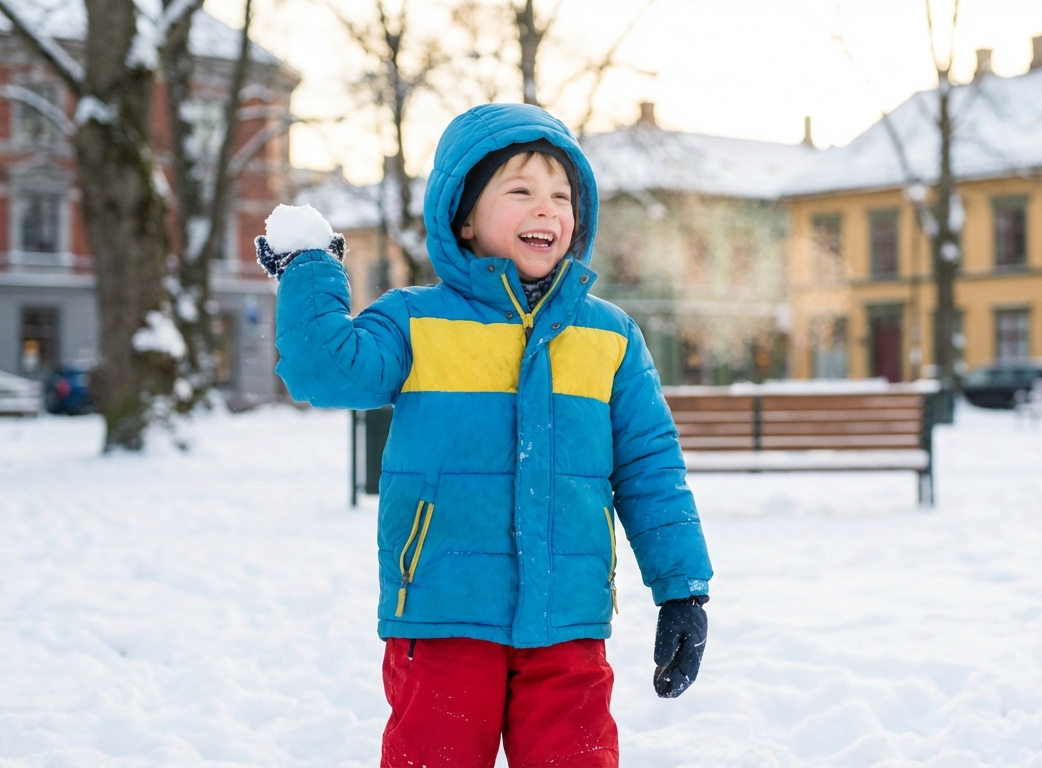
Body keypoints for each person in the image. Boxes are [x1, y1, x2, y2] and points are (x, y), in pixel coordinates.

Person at [254, 103, 713, 768]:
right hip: (443, 612)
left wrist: (681, 588)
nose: (546, 208)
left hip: (566, 620)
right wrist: (309, 266)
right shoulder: (417, 321)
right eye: (520, 191)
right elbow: (325, 371)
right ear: (463, 218)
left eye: (562, 196)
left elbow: (650, 468)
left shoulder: (609, 336)